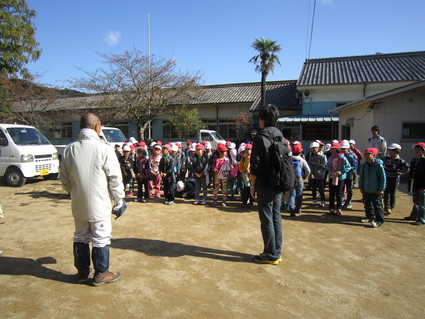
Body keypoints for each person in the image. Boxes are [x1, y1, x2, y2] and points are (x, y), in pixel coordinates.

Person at [60, 112, 124, 286]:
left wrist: (74, 192)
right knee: (101, 238)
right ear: (98, 126)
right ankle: (101, 273)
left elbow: (64, 179)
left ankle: (81, 272)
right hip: (99, 203)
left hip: (78, 202)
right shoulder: (104, 149)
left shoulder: (69, 149)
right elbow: (115, 178)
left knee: (80, 236)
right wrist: (119, 200)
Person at [250, 104, 289, 265]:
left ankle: (271, 254)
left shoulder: (260, 137)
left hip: (265, 182)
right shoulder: (280, 135)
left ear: (263, 120)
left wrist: (252, 185)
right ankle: (276, 251)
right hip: (279, 181)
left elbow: (255, 166)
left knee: (266, 218)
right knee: (276, 217)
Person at [358, 148, 386, 228]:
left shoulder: (378, 166)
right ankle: (369, 217)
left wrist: (381, 189)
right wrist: (361, 188)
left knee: (377, 205)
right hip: (366, 189)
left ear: (374, 155)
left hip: (376, 190)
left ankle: (379, 220)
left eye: (368, 154)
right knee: (367, 204)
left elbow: (382, 178)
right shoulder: (364, 165)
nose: (366, 156)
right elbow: (361, 177)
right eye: (365, 154)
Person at [383, 143, 409, 214]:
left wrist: (402, 173)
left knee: (392, 193)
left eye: (392, 151)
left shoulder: (400, 161)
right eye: (390, 150)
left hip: (394, 179)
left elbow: (407, 168)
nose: (390, 152)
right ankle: (386, 207)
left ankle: (391, 206)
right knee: (386, 192)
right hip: (387, 177)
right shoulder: (387, 158)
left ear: (397, 151)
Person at [326, 142, 351, 216]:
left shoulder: (342, 158)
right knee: (331, 193)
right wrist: (328, 168)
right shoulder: (331, 158)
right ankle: (331, 207)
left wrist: (341, 171)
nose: (332, 150)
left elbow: (348, 167)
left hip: (340, 178)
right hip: (332, 176)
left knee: (339, 193)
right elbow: (327, 165)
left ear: (337, 149)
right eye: (331, 149)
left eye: (333, 149)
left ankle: (339, 208)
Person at [404, 142, 425, 225]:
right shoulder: (414, 160)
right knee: (415, 201)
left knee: (421, 203)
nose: (416, 152)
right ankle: (414, 215)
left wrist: (424, 187)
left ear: (423, 151)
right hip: (415, 184)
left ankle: (421, 219)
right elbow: (411, 173)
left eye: (419, 150)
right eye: (416, 150)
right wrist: (410, 185)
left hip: (421, 185)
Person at [289, 143, 310, 217]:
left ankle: (291, 208)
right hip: (299, 178)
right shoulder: (302, 160)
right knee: (299, 194)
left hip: (291, 179)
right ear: (300, 152)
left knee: (292, 194)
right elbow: (308, 170)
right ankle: (298, 209)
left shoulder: (289, 159)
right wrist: (304, 177)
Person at [307, 141, 327, 207]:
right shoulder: (310, 156)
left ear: (318, 148)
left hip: (320, 175)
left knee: (321, 189)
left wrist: (316, 164)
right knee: (313, 189)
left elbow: (324, 165)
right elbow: (309, 165)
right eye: (312, 148)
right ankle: (314, 200)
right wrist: (311, 174)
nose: (313, 149)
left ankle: (323, 201)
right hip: (313, 175)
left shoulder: (322, 156)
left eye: (315, 148)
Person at [340, 140, 358, 209]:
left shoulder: (350, 156)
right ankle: (341, 200)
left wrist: (348, 169)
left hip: (349, 175)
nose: (342, 150)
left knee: (349, 188)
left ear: (347, 149)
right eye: (341, 149)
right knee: (341, 188)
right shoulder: (340, 156)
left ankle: (349, 201)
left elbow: (355, 166)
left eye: (344, 149)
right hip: (342, 175)